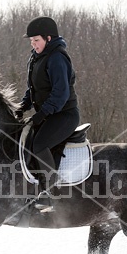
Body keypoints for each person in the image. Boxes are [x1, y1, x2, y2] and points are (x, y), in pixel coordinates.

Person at [16, 16, 80, 212]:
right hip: (48, 114)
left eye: (37, 40)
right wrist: (22, 107)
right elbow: (32, 89)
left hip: (64, 115)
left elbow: (61, 93)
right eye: (31, 41)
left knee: (40, 144)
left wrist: (42, 113)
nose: (33, 44)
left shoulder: (57, 58)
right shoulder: (36, 58)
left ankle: (52, 194)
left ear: (48, 38)